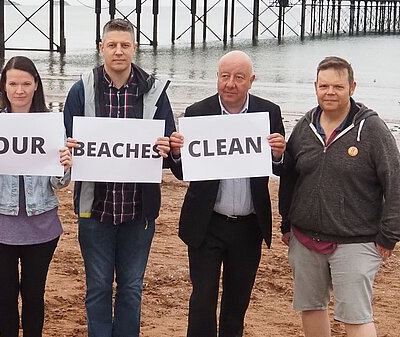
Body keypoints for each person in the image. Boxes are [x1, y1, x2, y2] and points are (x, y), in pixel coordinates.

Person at [62, 18, 176, 337]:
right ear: (101, 48)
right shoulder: (81, 89)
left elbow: (169, 144)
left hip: (138, 211)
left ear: (134, 48)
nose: (118, 51)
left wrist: (166, 147)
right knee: (97, 287)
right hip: (94, 209)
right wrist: (68, 147)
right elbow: (64, 140)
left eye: (125, 45)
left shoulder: (154, 91)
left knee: (131, 288)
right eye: (111, 45)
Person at [278, 56, 400, 337]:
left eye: (337, 86)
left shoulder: (372, 130)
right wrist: (287, 222)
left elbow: (394, 182)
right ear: (315, 87)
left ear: (352, 87)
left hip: (355, 239)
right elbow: (290, 175)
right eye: (323, 86)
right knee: (311, 307)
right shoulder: (305, 126)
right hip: (306, 238)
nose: (329, 92)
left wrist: (389, 235)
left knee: (355, 315)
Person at [169, 50, 286, 337]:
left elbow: (280, 168)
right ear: (217, 78)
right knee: (202, 301)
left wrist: (280, 154)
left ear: (252, 80)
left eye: (238, 77)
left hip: (248, 226)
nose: (230, 84)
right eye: (224, 76)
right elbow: (185, 173)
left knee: (237, 303)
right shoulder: (197, 113)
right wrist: (175, 154)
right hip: (207, 224)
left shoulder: (269, 112)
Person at [0, 56, 73, 337]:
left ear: (36, 85)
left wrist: (66, 165)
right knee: (6, 294)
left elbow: (58, 183)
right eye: (13, 83)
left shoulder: (51, 124)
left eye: (26, 83)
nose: (19, 90)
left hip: (42, 224)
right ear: (4, 86)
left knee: (34, 294)